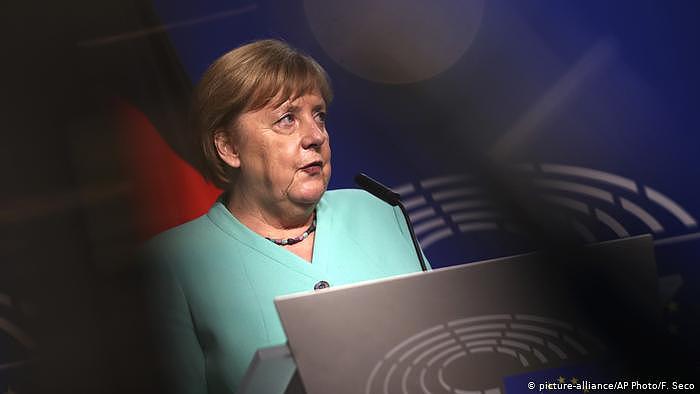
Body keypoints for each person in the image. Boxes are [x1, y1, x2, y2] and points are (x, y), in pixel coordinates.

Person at [146, 39, 428, 394]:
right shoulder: (173, 262)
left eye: (319, 115)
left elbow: (447, 341)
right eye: (287, 119)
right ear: (229, 147)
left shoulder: (378, 210)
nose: (315, 136)